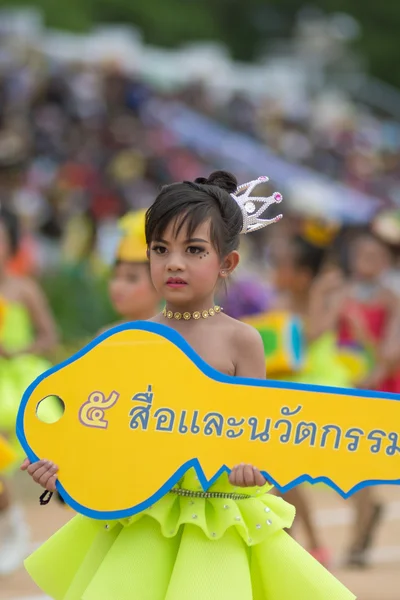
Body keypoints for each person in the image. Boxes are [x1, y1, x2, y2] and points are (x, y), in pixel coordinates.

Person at [21, 171, 355, 599]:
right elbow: (104, 432)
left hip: (216, 522)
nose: (174, 263)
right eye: (160, 250)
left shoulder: (242, 340)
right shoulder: (129, 340)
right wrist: (63, 473)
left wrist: (251, 469)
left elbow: (257, 433)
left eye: (194, 250)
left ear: (226, 263)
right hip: (140, 518)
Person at [0, 207, 58, 575]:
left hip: (16, 381)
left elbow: (49, 336)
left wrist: (18, 351)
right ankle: (11, 518)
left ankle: (14, 521)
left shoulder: (23, 289)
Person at [337, 230, 400, 567]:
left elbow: (390, 356)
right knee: (345, 468)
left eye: (374, 258)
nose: (366, 264)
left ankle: (358, 541)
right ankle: (366, 520)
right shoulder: (342, 294)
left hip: (378, 393)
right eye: (362, 256)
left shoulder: (392, 300)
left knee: (360, 469)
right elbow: (318, 335)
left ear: (386, 262)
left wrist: (360, 327)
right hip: (343, 388)